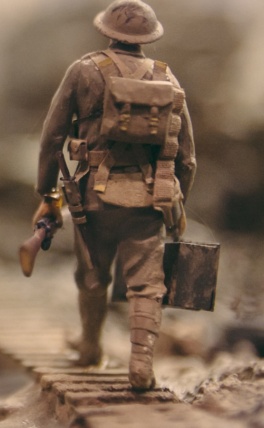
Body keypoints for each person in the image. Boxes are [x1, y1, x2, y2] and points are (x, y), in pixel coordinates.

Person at [32, 0, 196, 390]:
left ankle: (90, 347)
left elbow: (52, 137)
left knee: (91, 274)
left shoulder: (84, 70)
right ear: (148, 37)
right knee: (147, 284)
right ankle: (141, 363)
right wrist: (176, 202)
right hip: (150, 200)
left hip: (94, 197)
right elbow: (187, 158)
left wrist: (48, 191)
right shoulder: (168, 80)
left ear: (107, 31)